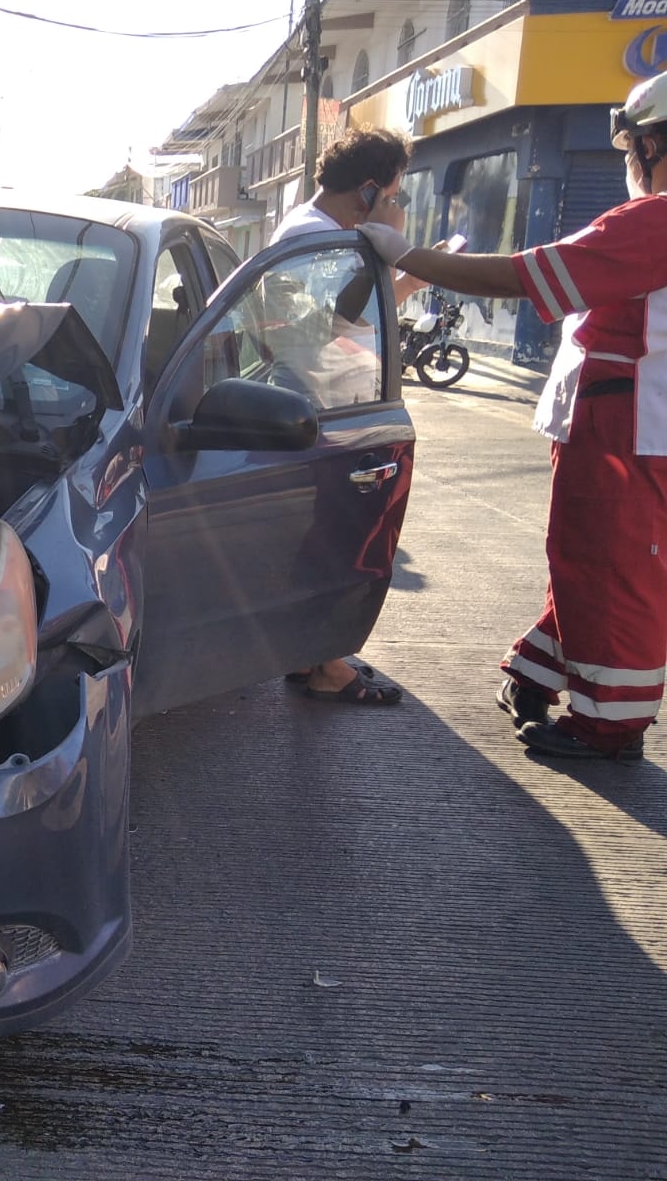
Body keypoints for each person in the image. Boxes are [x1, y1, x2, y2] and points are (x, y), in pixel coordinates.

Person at [358, 71, 667, 761]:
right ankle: (537, 671)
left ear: (650, 144)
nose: (625, 164)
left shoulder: (657, 218)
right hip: (622, 425)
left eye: (628, 149)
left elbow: (523, 276)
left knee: (618, 569)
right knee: (588, 561)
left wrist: (408, 257)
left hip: (627, 430)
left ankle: (610, 726)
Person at [269, 125, 423, 706]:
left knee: (325, 540)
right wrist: (395, 244)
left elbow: (342, 321)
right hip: (324, 414)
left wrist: (407, 272)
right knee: (338, 543)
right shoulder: (324, 244)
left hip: (328, 408)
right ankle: (328, 663)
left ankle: (313, 651)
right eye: (394, 196)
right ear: (367, 192)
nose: (396, 206)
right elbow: (327, 329)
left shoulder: (319, 237)